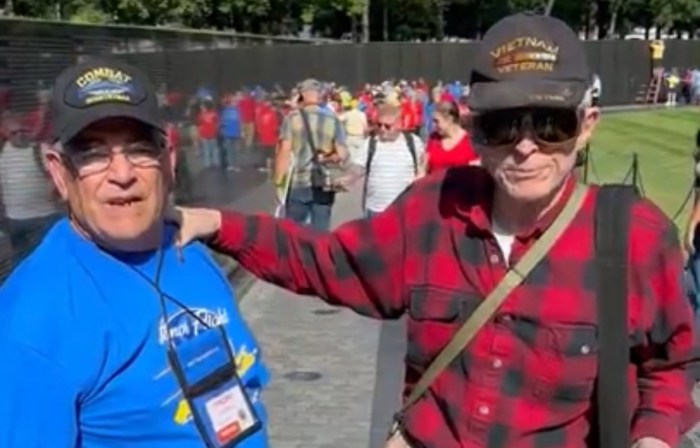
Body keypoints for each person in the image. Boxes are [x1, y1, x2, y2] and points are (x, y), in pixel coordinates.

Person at [171, 14, 698, 448]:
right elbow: (328, 263)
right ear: (474, 131)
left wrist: (652, 440)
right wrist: (218, 223)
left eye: (551, 123)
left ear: (587, 126)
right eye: (503, 124)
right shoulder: (434, 208)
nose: (526, 145)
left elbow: (671, 367)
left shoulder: (634, 236)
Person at [0, 59, 270, 448]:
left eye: (140, 150)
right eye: (93, 154)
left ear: (169, 160)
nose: (122, 174)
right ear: (59, 172)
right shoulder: (33, 320)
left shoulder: (185, 245)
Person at [274, 78, 347, 231]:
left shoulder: (292, 119)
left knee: (295, 232)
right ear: (319, 95)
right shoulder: (333, 119)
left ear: (302, 95)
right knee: (320, 231)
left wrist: (279, 183)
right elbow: (342, 153)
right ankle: (318, 254)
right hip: (323, 183)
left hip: (298, 183)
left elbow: (284, 153)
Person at [425, 101, 478, 173]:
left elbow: (475, 174)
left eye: (436, 121)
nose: (433, 125)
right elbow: (423, 169)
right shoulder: (433, 139)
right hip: (434, 184)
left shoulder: (469, 141)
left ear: (449, 119)